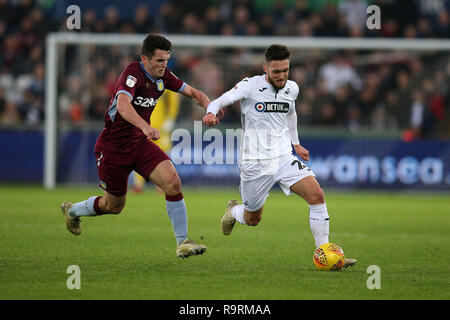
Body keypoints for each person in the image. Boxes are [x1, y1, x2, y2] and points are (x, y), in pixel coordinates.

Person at [203, 44, 357, 267]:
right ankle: (233, 211)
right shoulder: (250, 85)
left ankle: (324, 253)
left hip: (284, 156)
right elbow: (219, 101)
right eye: (277, 71)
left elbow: (290, 113)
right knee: (253, 219)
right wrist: (210, 112)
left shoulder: (292, 88)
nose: (282, 75)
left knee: (316, 195)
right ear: (265, 69)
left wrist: (296, 143)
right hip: (254, 162)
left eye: (286, 70)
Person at [61, 34, 212, 259]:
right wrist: (145, 127)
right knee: (114, 206)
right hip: (113, 148)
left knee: (172, 182)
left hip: (139, 144)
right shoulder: (132, 74)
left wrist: (210, 108)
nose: (164, 66)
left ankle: (183, 243)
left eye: (167, 60)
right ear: (145, 58)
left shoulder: (164, 77)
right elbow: (122, 105)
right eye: (159, 61)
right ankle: (72, 211)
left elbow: (194, 94)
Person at [132, 89, 180, 193]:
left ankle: (162, 184)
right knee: (140, 154)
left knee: (163, 155)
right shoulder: (141, 80)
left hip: (161, 127)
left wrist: (170, 119)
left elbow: (174, 101)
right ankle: (138, 184)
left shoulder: (166, 82)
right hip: (144, 125)